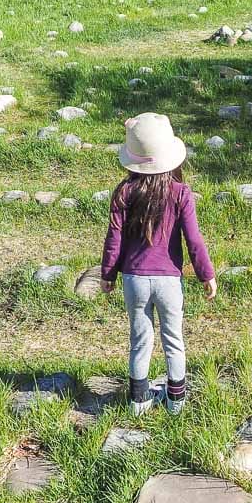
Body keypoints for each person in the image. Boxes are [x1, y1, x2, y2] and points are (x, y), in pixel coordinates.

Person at [99, 112, 216, 416]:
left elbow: (114, 239)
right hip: (168, 280)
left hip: (134, 279)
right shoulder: (181, 193)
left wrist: (107, 274)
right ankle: (176, 402)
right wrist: (206, 274)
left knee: (140, 339)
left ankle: (139, 401)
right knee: (173, 338)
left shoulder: (124, 192)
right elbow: (194, 240)